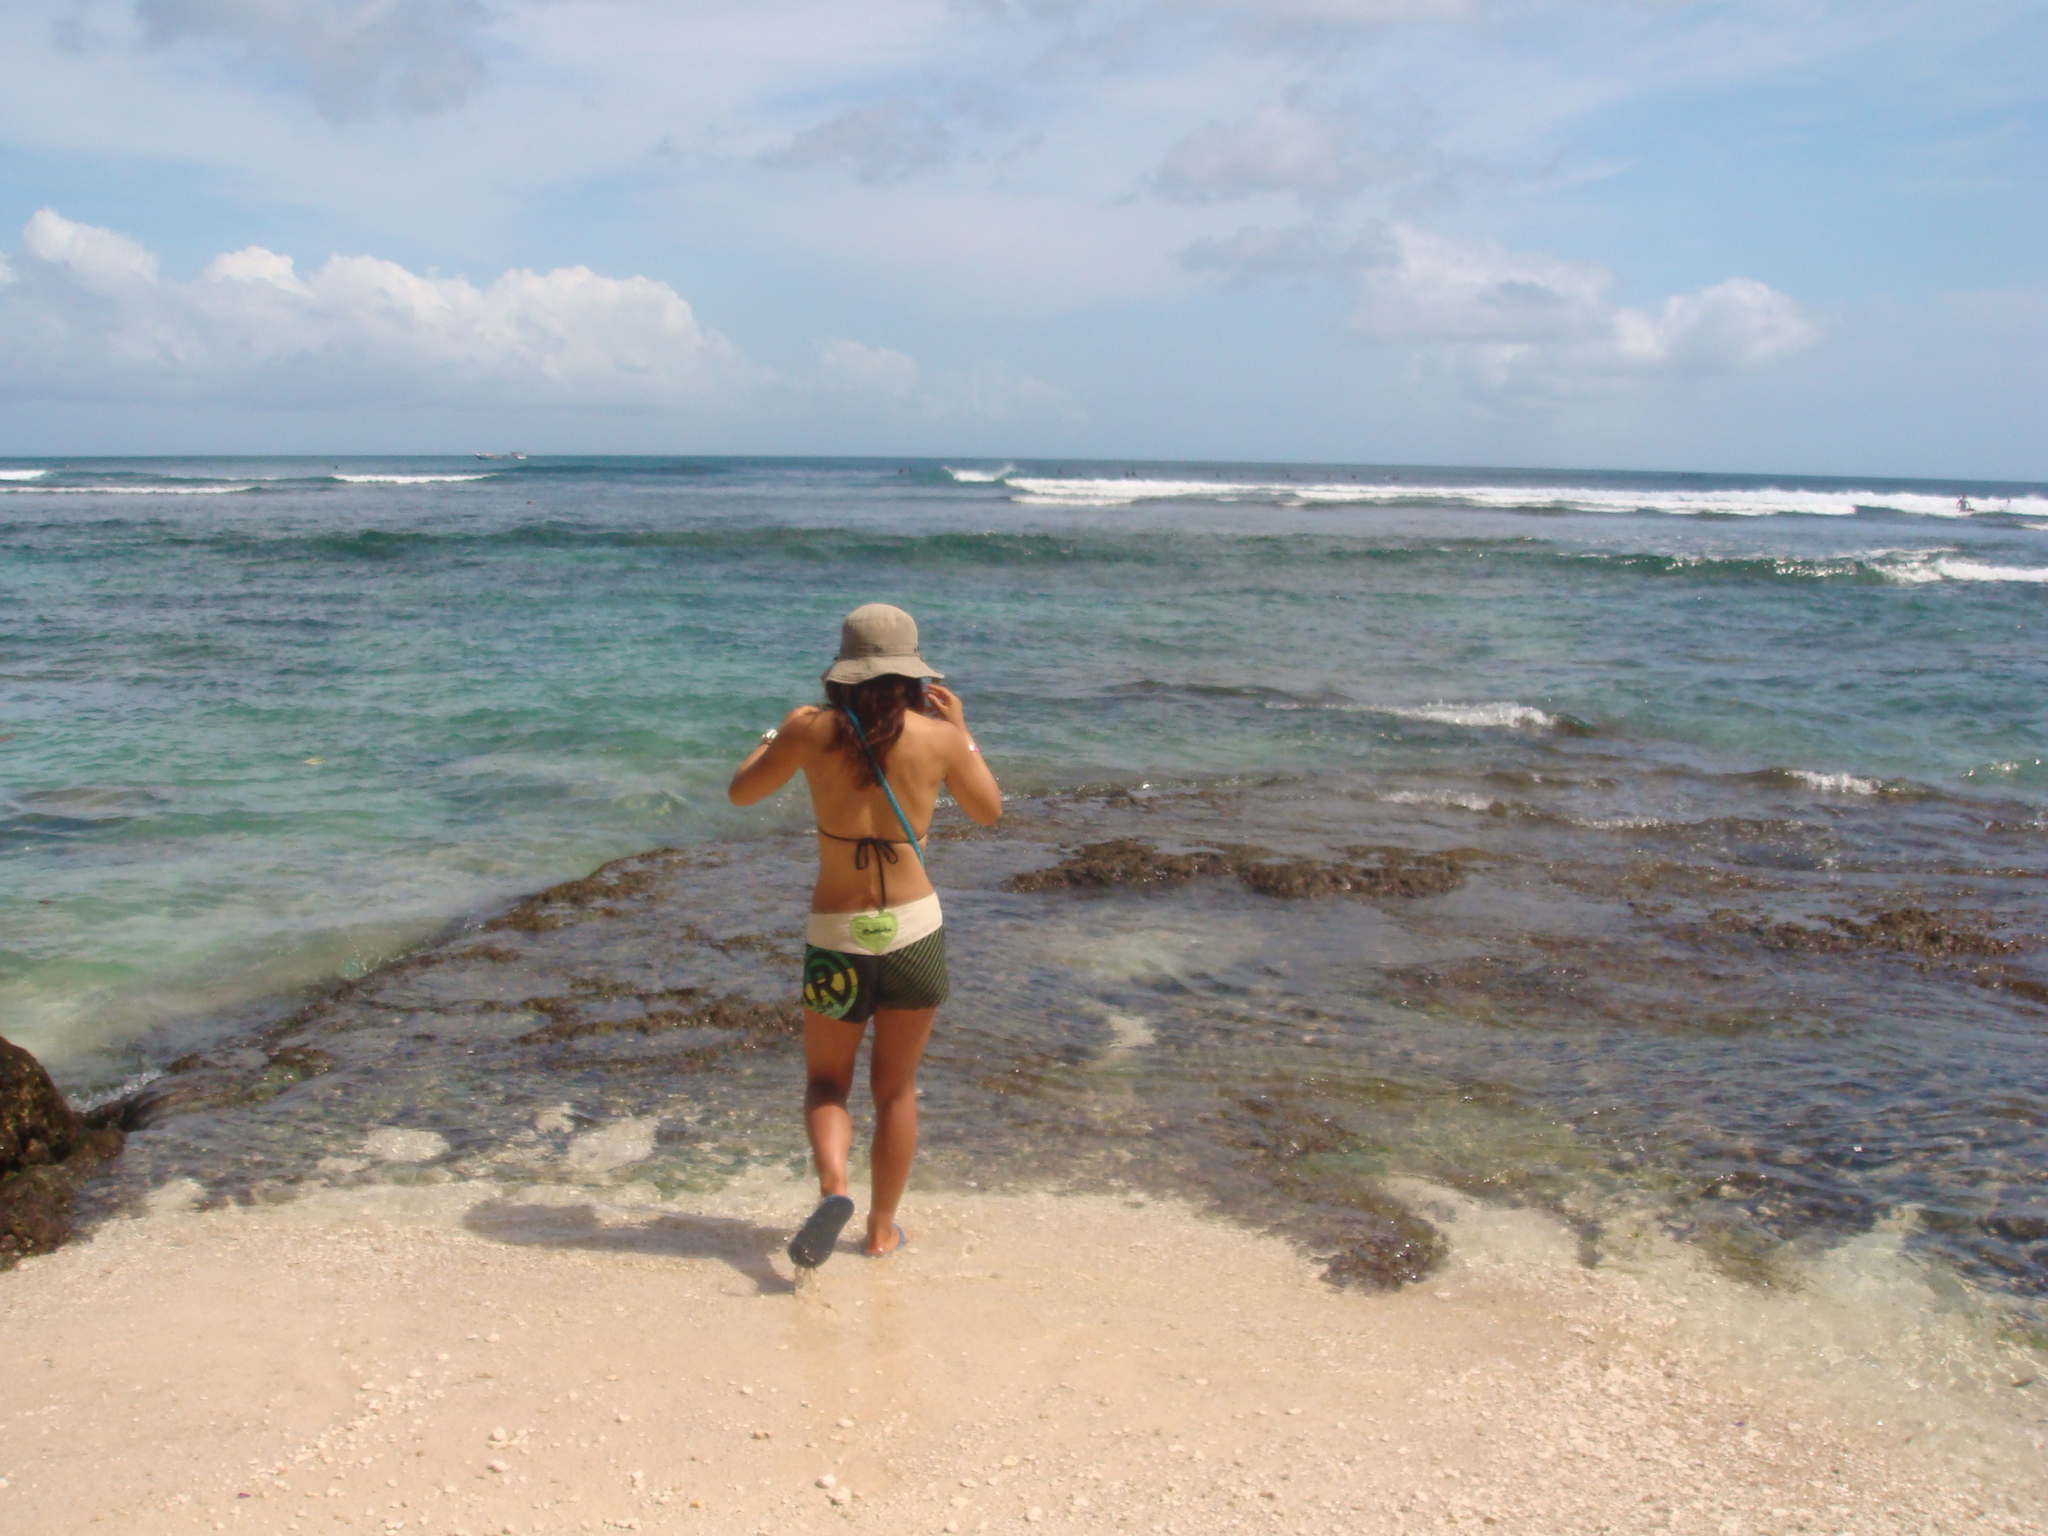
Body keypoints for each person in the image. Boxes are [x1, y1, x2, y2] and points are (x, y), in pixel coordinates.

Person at [727, 604, 1003, 1266]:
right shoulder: (938, 738)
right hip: (914, 934)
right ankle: (880, 1231)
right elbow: (989, 810)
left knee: (827, 1084)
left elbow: (740, 793)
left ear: (843, 669)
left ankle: (834, 1189)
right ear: (912, 674)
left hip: (837, 933)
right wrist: (963, 731)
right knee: (897, 1090)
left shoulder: (807, 729)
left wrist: (773, 731)